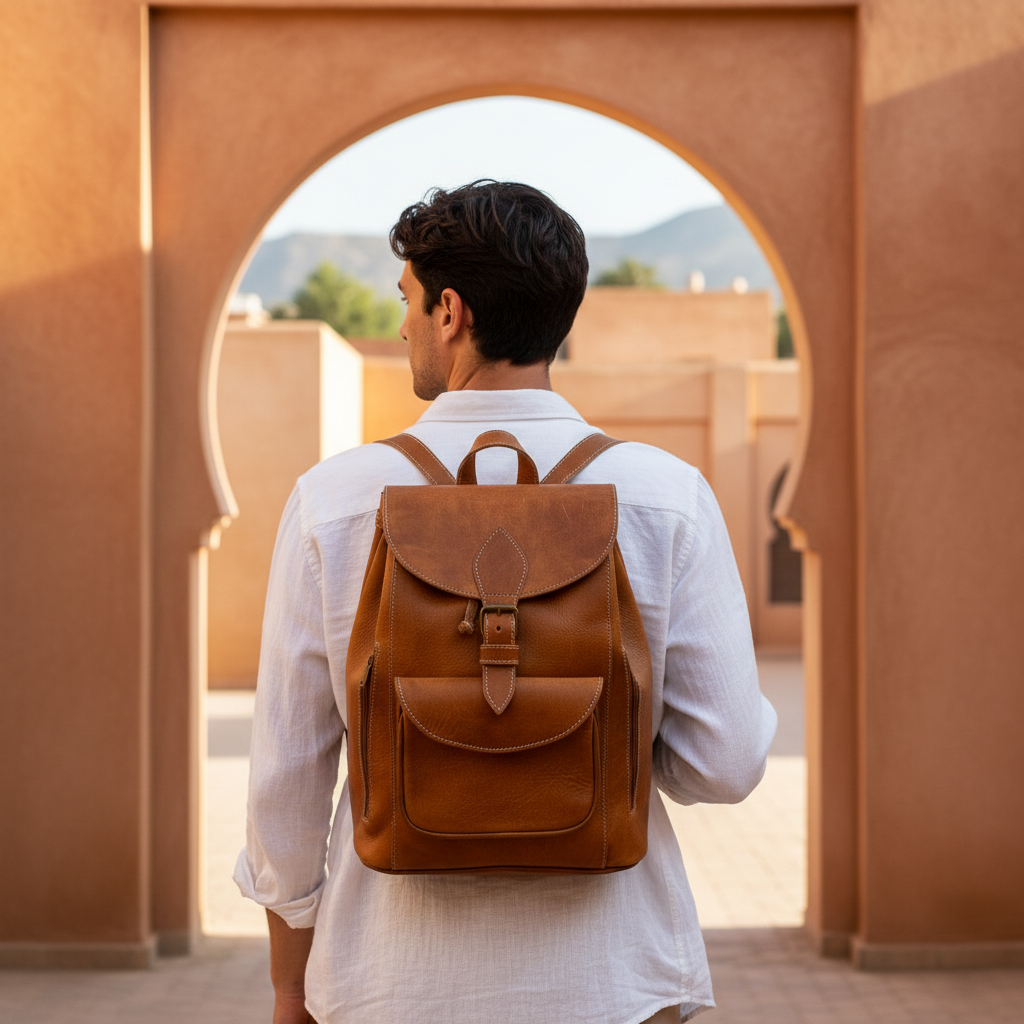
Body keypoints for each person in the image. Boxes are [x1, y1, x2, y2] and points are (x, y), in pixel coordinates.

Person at [235, 180, 777, 1024]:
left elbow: (286, 786)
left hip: (390, 985)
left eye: (409, 301)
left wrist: (286, 988)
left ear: (451, 311)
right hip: (615, 985)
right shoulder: (666, 496)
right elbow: (728, 760)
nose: (405, 324)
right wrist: (597, 746)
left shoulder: (334, 501)